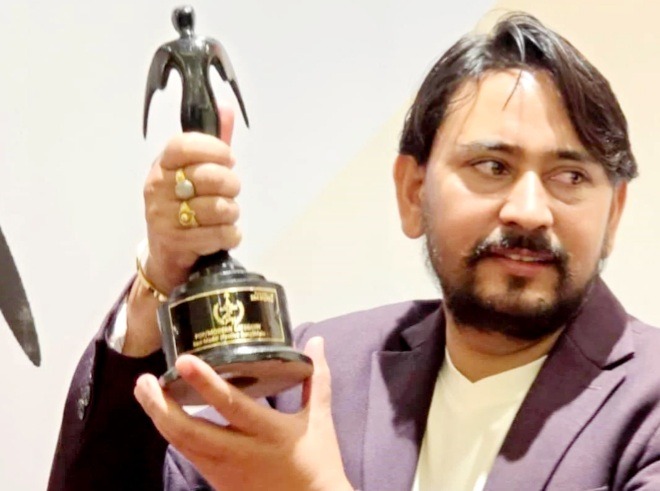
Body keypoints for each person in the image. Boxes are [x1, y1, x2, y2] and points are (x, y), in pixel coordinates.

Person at [48, 12, 660, 491]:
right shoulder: (310, 378)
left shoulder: (648, 408)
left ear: (613, 213)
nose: (529, 210)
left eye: (570, 177)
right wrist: (163, 274)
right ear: (413, 192)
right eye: (492, 166)